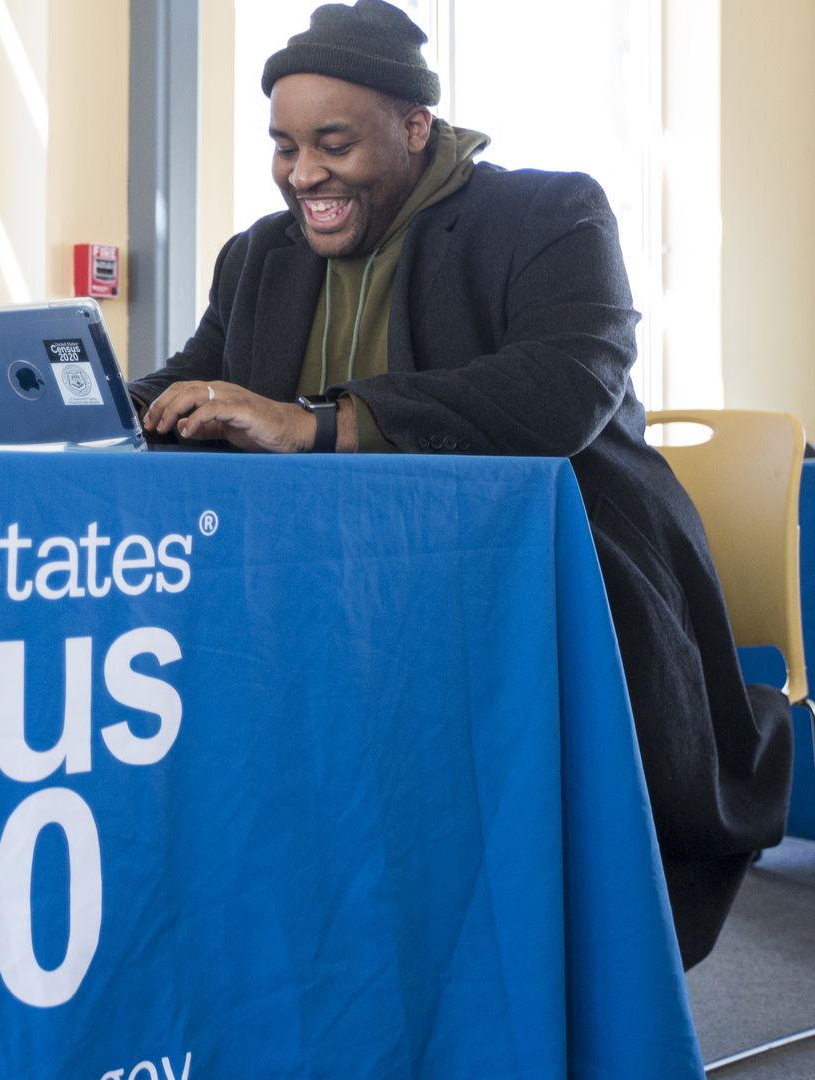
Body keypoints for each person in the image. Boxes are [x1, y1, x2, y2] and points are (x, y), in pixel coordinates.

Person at [129, 0, 790, 969]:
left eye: (334, 143)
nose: (303, 173)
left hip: (562, 583)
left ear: (414, 128)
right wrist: (98, 412)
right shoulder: (259, 257)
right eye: (283, 146)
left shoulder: (549, 214)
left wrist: (317, 424)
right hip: (346, 598)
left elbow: (562, 394)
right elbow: (200, 380)